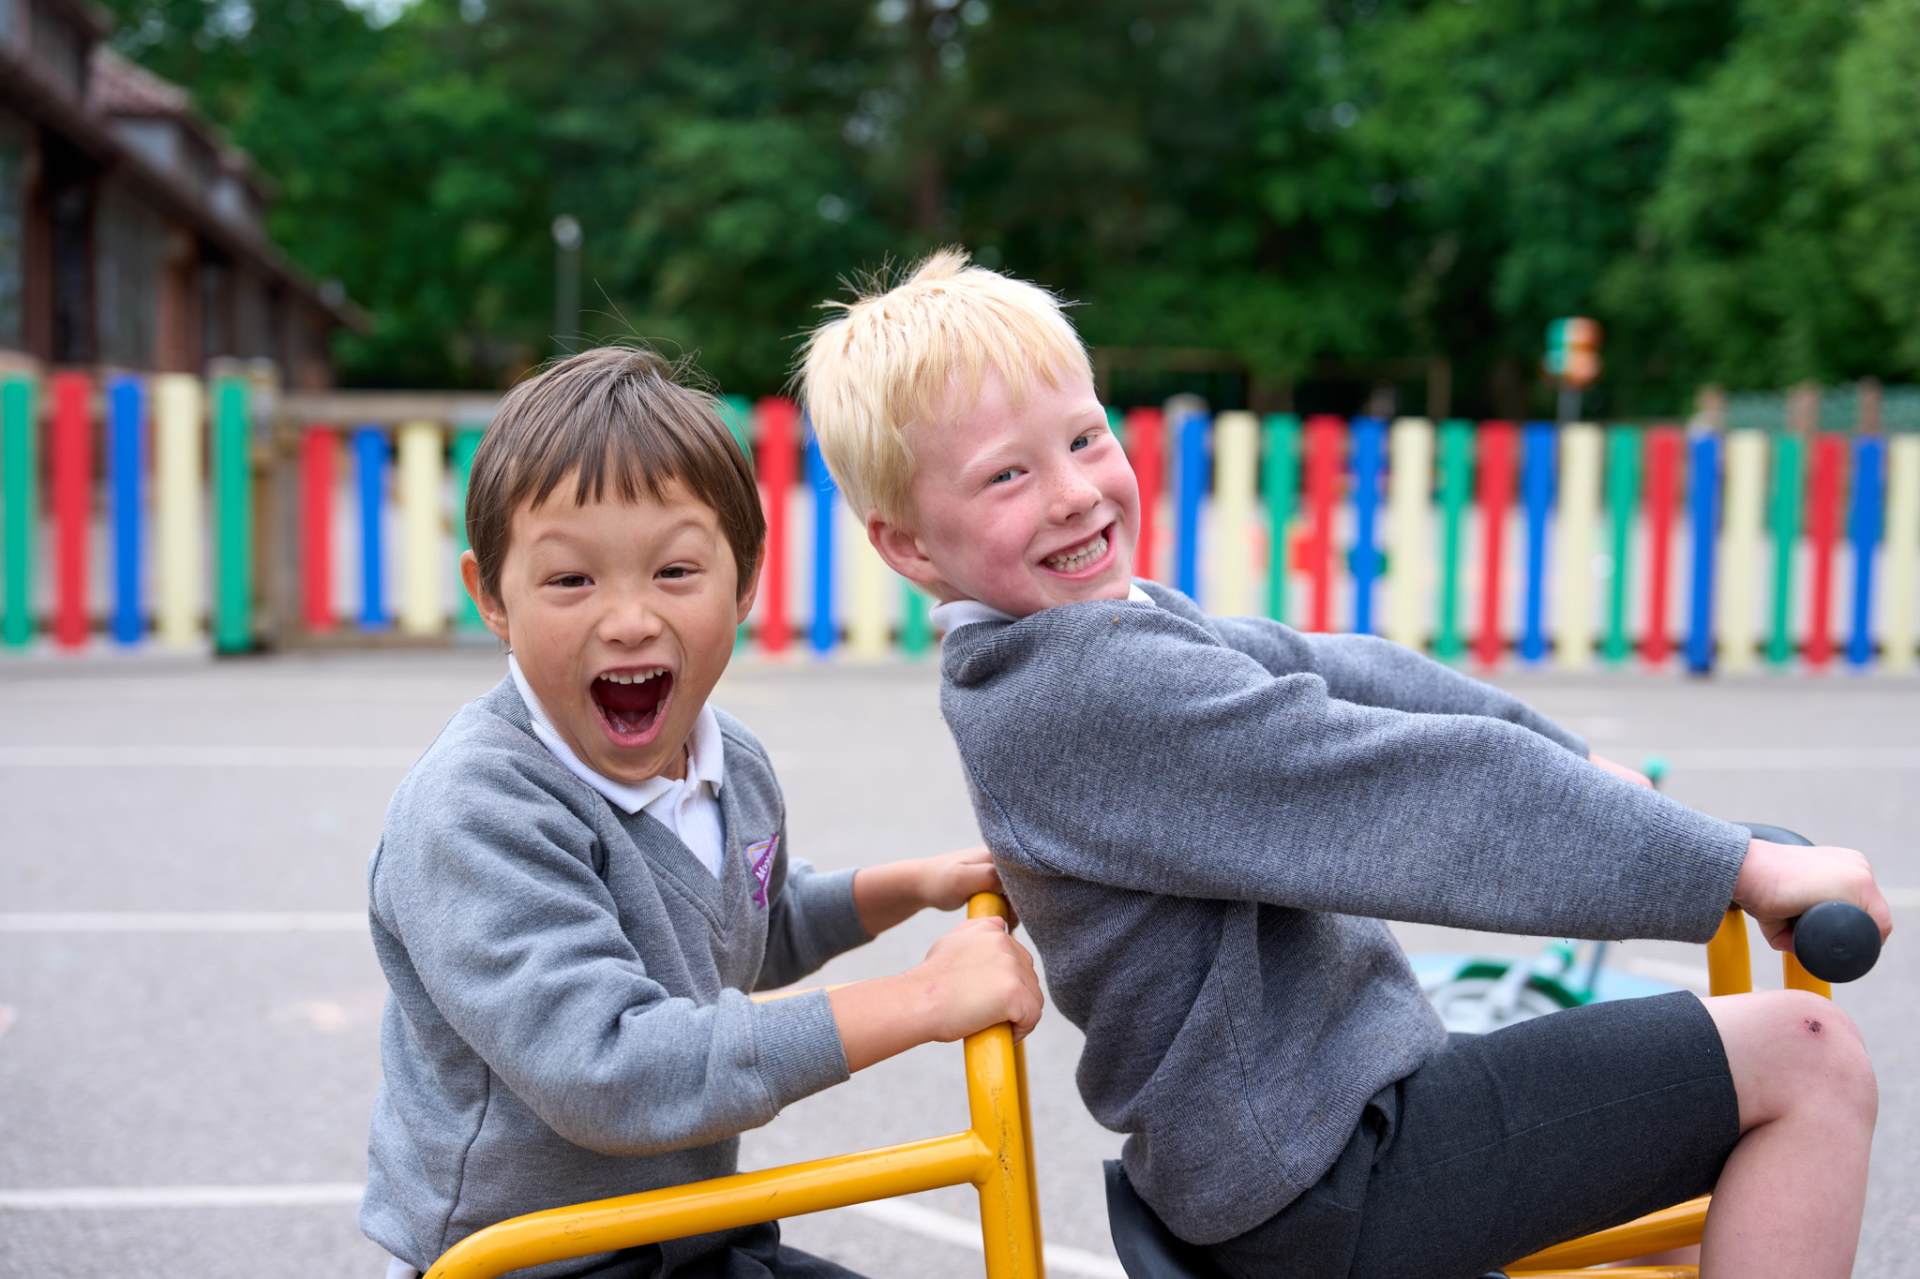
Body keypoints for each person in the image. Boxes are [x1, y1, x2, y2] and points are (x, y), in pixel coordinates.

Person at [796, 250, 1893, 1279]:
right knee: (1805, 1056)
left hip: (1298, 1145)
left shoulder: (1084, 642)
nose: (1076, 491)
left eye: (1084, 439)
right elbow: (1406, 793)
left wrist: (1580, 764)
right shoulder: (1080, 690)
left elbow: (1337, 669)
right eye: (1007, 476)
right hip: (1317, 1176)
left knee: (1662, 1197)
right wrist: (1734, 867)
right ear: (909, 544)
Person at [360, 345, 1043, 1279]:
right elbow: (611, 1069)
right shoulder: (480, 806)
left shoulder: (732, 764)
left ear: (745, 580)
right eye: (571, 581)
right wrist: (922, 1001)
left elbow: (745, 922)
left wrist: (916, 885)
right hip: (527, 1260)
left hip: (684, 1228)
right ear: (493, 598)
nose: (630, 618)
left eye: (675, 571)